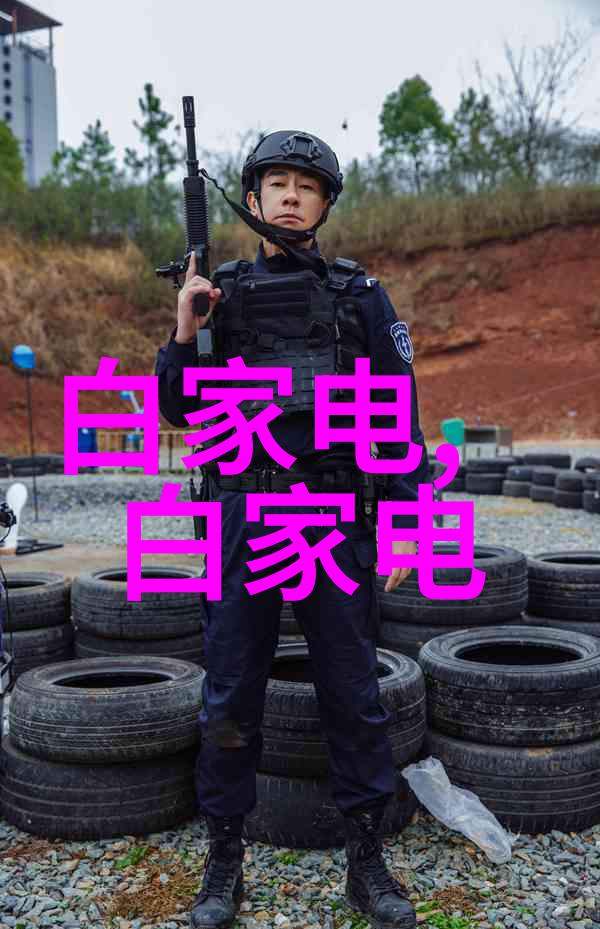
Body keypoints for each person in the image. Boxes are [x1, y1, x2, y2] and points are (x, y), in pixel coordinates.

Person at [155, 130, 430, 929]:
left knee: (352, 691)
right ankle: (224, 860)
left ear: (323, 205)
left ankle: (367, 860)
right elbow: (179, 408)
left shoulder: (360, 297)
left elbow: (398, 417)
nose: (289, 195)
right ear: (251, 199)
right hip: (244, 521)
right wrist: (185, 331)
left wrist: (408, 521)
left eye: (306, 186)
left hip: (335, 521)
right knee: (230, 692)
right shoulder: (220, 294)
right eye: (275, 182)